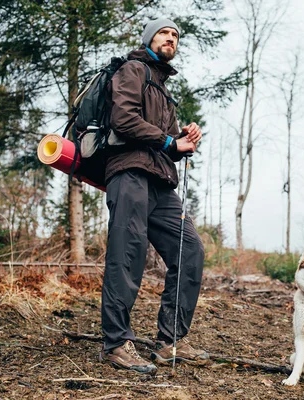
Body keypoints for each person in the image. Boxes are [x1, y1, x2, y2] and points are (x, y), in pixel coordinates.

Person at [98, 18, 207, 375]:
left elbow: (172, 145)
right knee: (127, 253)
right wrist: (167, 141)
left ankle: (171, 340)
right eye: (164, 33)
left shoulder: (163, 90)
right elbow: (123, 119)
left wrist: (185, 139)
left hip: (161, 181)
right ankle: (116, 343)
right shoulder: (133, 70)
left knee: (189, 249)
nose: (171, 38)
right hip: (129, 173)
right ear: (149, 39)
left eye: (176, 35)